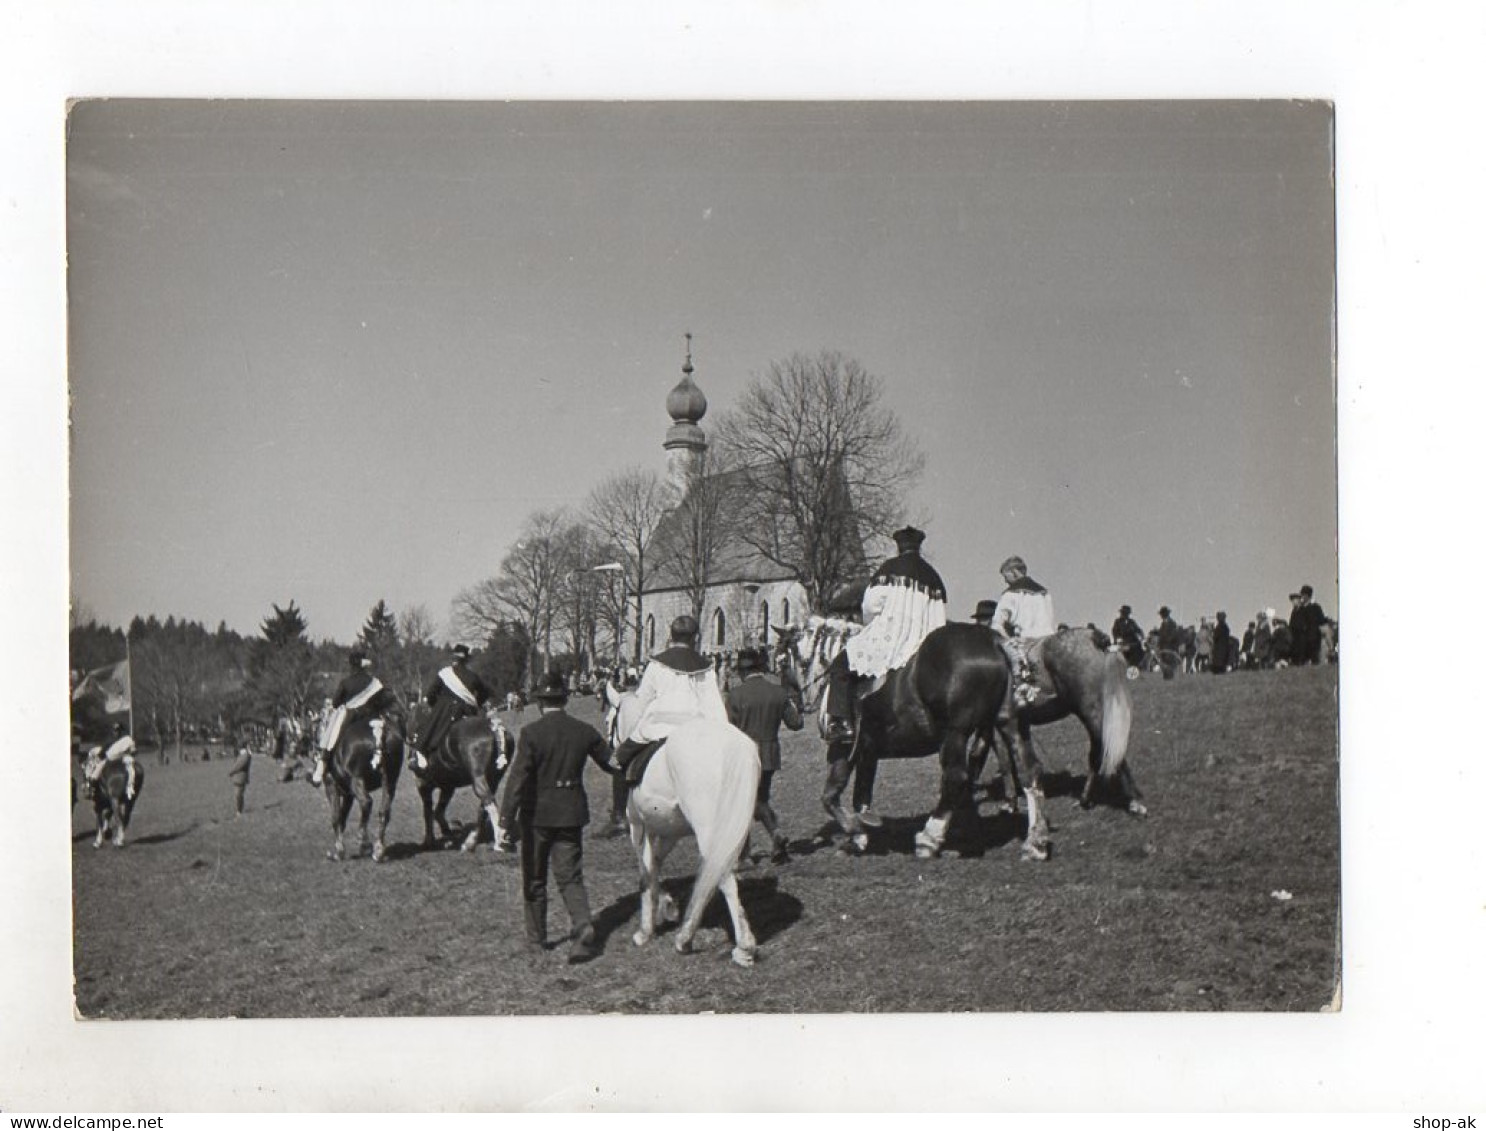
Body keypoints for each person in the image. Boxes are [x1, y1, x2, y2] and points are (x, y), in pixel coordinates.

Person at [497, 670, 615, 963]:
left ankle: (537, 942)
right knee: (570, 876)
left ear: (539, 702)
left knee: (535, 879)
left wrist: (504, 821)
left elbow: (517, 780)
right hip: (571, 813)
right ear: (565, 699)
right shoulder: (584, 730)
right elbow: (612, 763)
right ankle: (583, 924)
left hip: (537, 816)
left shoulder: (531, 733)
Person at [824, 525, 948, 742]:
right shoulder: (933, 576)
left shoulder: (889, 569)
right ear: (919, 546)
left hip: (893, 635)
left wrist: (872, 624)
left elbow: (870, 606)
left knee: (841, 664)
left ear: (899, 546)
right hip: (925, 640)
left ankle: (840, 723)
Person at [612, 614, 727, 784]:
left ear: (671, 635)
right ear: (695, 638)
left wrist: (633, 730)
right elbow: (714, 705)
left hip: (658, 726)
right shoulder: (706, 667)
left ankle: (619, 810)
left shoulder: (657, 664)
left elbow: (642, 701)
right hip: (695, 729)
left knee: (618, 760)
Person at [724, 647, 804, 866]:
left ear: (741, 671)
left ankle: (746, 854)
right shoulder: (778, 693)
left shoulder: (735, 695)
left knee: (742, 804)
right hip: (769, 754)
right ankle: (775, 834)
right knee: (760, 800)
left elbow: (727, 730)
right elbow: (796, 723)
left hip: (743, 754)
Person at [312, 649, 395, 785]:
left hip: (351, 716)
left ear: (352, 665)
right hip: (371, 716)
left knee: (331, 738)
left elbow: (335, 703)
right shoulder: (374, 682)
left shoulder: (346, 682)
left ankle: (321, 768)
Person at [412, 644, 490, 771]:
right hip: (468, 711)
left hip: (445, 711)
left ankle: (421, 755)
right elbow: (485, 693)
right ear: (466, 660)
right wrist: (476, 704)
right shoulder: (473, 676)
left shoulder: (444, 674)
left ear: (453, 659)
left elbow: (431, 694)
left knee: (428, 730)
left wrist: (435, 706)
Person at [989, 556, 1056, 640]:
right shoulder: (1044, 594)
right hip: (1048, 642)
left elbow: (996, 625)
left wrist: (1009, 641)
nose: (1005, 581)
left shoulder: (1010, 594)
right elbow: (1050, 622)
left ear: (1014, 572)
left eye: (1006, 577)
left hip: (1026, 643)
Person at [85, 722, 139, 800]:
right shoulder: (127, 739)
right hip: (123, 758)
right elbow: (134, 751)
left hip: (114, 759)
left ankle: (92, 789)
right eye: (116, 730)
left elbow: (101, 754)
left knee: (95, 773)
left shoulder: (111, 741)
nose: (116, 732)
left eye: (117, 730)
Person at [1290, 584, 1328, 666]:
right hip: (1303, 639)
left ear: (1307, 596)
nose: (1302, 597)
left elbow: (1322, 622)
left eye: (1303, 595)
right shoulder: (1300, 609)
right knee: (1303, 660)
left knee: (1314, 658)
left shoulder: (1316, 607)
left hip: (1314, 638)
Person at [1111, 605, 1145, 670]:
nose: (1125, 614)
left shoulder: (1132, 622)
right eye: (1123, 613)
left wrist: (1142, 636)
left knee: (1141, 649)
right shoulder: (1118, 622)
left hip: (1133, 642)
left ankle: (1137, 666)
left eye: (1126, 613)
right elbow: (1114, 632)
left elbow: (1138, 630)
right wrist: (1117, 639)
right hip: (1123, 642)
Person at [1154, 606, 1182, 680]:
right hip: (1163, 647)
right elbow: (1161, 635)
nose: (1161, 616)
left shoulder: (1172, 623)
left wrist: (1167, 642)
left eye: (1162, 614)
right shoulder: (1163, 624)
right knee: (1164, 663)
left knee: (1170, 663)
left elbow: (1173, 635)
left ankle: (1170, 678)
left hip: (1170, 647)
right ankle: (1166, 677)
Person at [227, 744, 252, 817]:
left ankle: (239, 811)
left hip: (241, 778)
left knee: (238, 795)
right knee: (237, 795)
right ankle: (238, 810)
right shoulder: (243, 755)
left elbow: (238, 765)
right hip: (238, 778)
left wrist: (231, 772)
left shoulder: (245, 756)